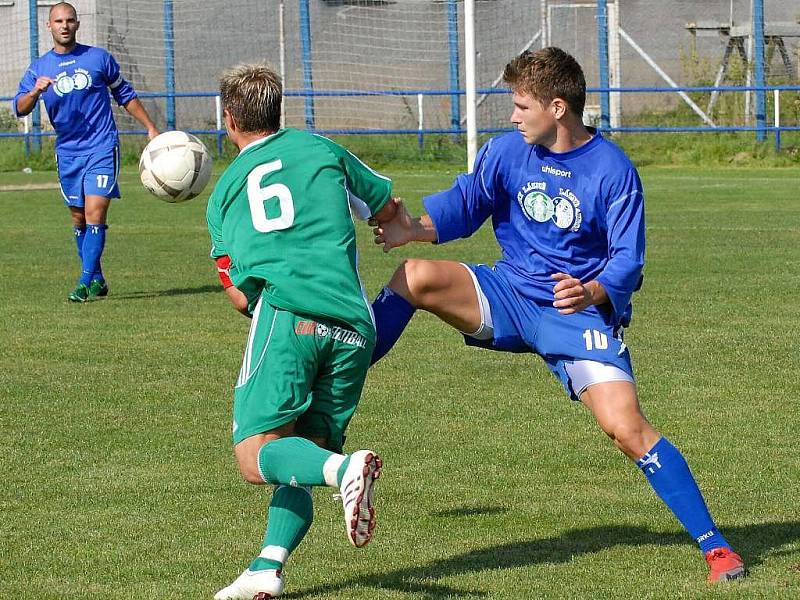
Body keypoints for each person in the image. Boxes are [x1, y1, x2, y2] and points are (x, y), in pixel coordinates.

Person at [370, 47, 745, 583]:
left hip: (575, 314)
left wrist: (592, 291)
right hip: (509, 293)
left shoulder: (612, 171)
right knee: (415, 276)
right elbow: (467, 202)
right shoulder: (506, 152)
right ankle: (348, 365)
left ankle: (716, 547)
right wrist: (415, 230)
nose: (514, 115)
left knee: (625, 428)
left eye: (523, 106)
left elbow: (628, 260)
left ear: (558, 107)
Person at [207, 63, 397, 600]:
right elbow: (385, 206)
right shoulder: (324, 150)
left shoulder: (225, 191)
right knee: (302, 454)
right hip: (357, 328)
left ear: (230, 119)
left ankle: (344, 471)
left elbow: (240, 291)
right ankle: (267, 567)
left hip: (289, 316)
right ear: (279, 109)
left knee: (256, 454)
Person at [13, 2, 159, 302]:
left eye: (69, 20)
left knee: (95, 212)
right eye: (58, 21)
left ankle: (82, 283)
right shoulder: (39, 68)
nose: (64, 26)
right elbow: (19, 108)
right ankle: (98, 278)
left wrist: (150, 127)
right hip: (67, 152)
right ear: (49, 26)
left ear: (77, 24)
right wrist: (35, 92)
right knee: (78, 218)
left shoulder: (98, 58)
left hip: (102, 146)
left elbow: (124, 94)